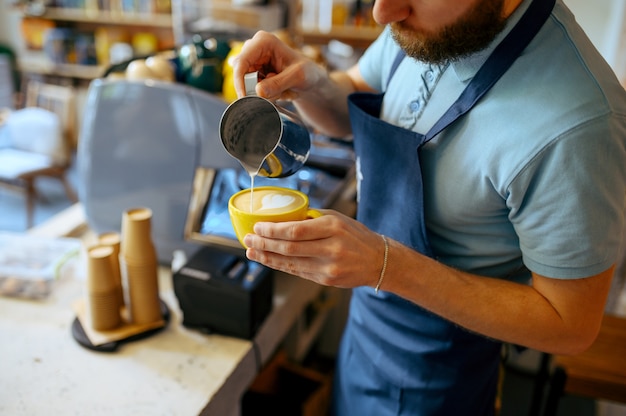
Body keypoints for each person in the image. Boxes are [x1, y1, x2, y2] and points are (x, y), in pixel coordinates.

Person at [232, 0, 626, 414]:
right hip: (364, 338)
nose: (383, 14)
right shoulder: (419, 20)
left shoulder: (580, 127)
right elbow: (356, 99)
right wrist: (313, 83)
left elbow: (570, 326)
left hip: (437, 382)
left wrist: (386, 265)